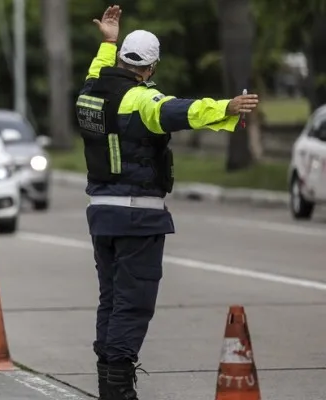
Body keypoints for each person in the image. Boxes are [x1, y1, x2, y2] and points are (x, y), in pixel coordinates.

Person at [75, 5, 259, 400]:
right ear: (151, 69)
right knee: (133, 303)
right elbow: (178, 111)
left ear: (122, 58)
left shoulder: (90, 92)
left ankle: (109, 384)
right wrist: (225, 108)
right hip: (138, 218)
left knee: (111, 300)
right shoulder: (141, 100)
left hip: (101, 215)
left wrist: (107, 41)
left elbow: (98, 69)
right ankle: (119, 390)